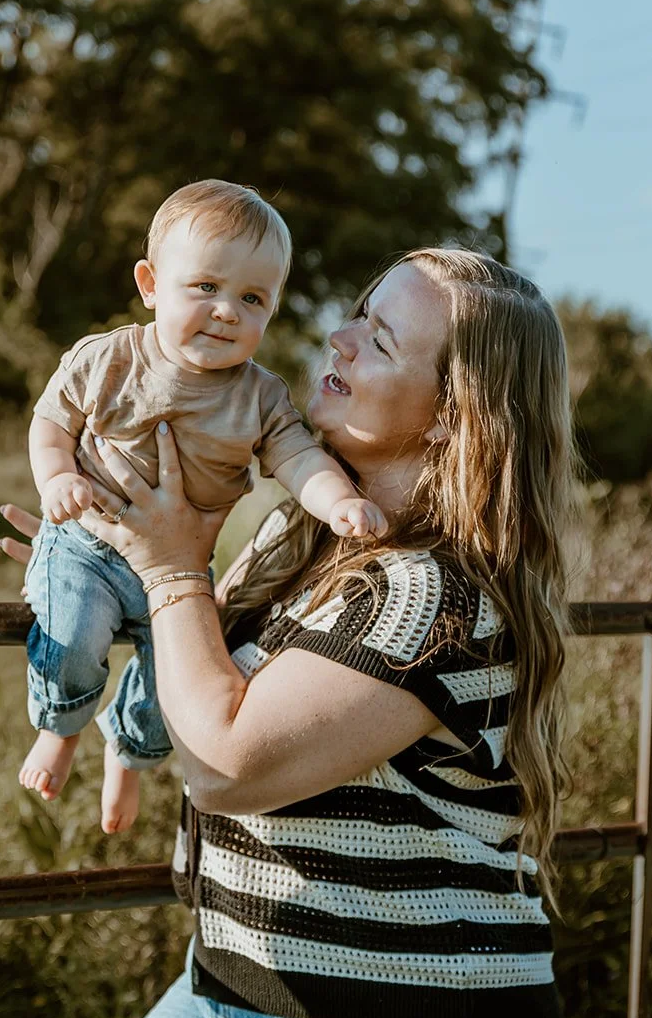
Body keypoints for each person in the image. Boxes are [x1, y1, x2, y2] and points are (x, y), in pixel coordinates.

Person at [0, 248, 578, 1018]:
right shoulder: (298, 549)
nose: (335, 342)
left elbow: (224, 758)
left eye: (379, 339)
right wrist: (101, 572)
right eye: (350, 316)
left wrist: (165, 569)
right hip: (235, 1004)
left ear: (456, 408)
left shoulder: (431, 591)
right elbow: (183, 663)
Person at [19, 179, 385, 831]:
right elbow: (53, 422)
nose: (225, 312)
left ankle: (126, 756)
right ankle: (61, 728)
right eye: (205, 288)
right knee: (72, 634)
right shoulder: (108, 360)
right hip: (88, 544)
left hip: (183, 564)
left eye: (251, 299)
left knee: (176, 693)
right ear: (151, 284)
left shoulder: (260, 397)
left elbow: (300, 460)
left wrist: (339, 502)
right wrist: (55, 481)